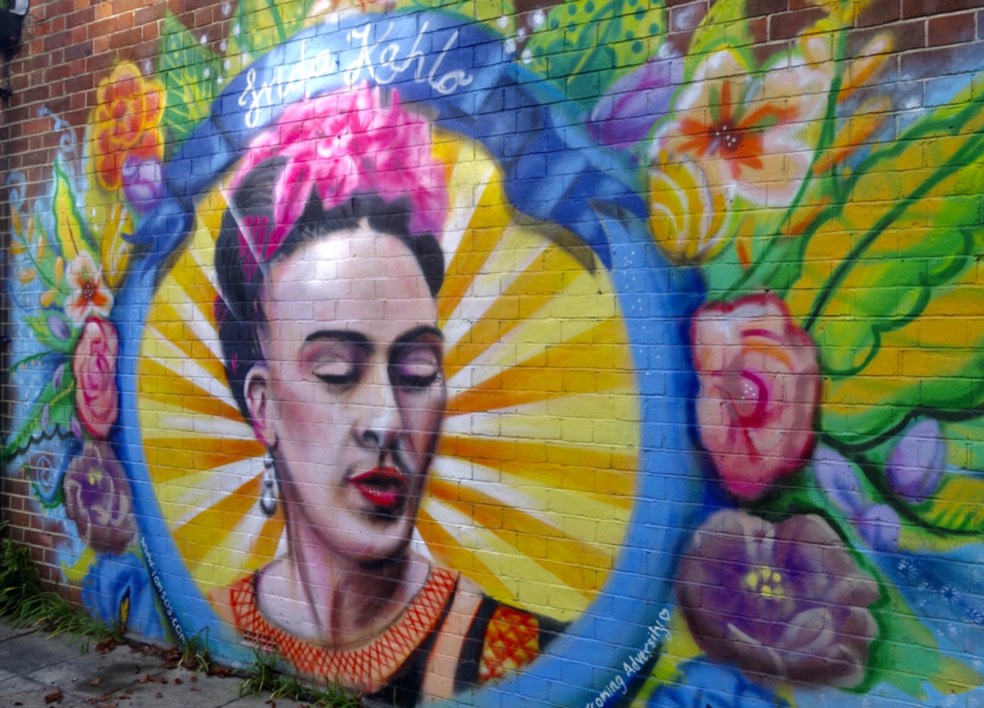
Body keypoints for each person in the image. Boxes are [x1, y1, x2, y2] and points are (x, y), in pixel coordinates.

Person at [209, 85, 562, 704]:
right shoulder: (214, 622)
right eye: (336, 371)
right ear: (262, 404)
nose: (386, 420)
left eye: (418, 370)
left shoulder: (523, 656)